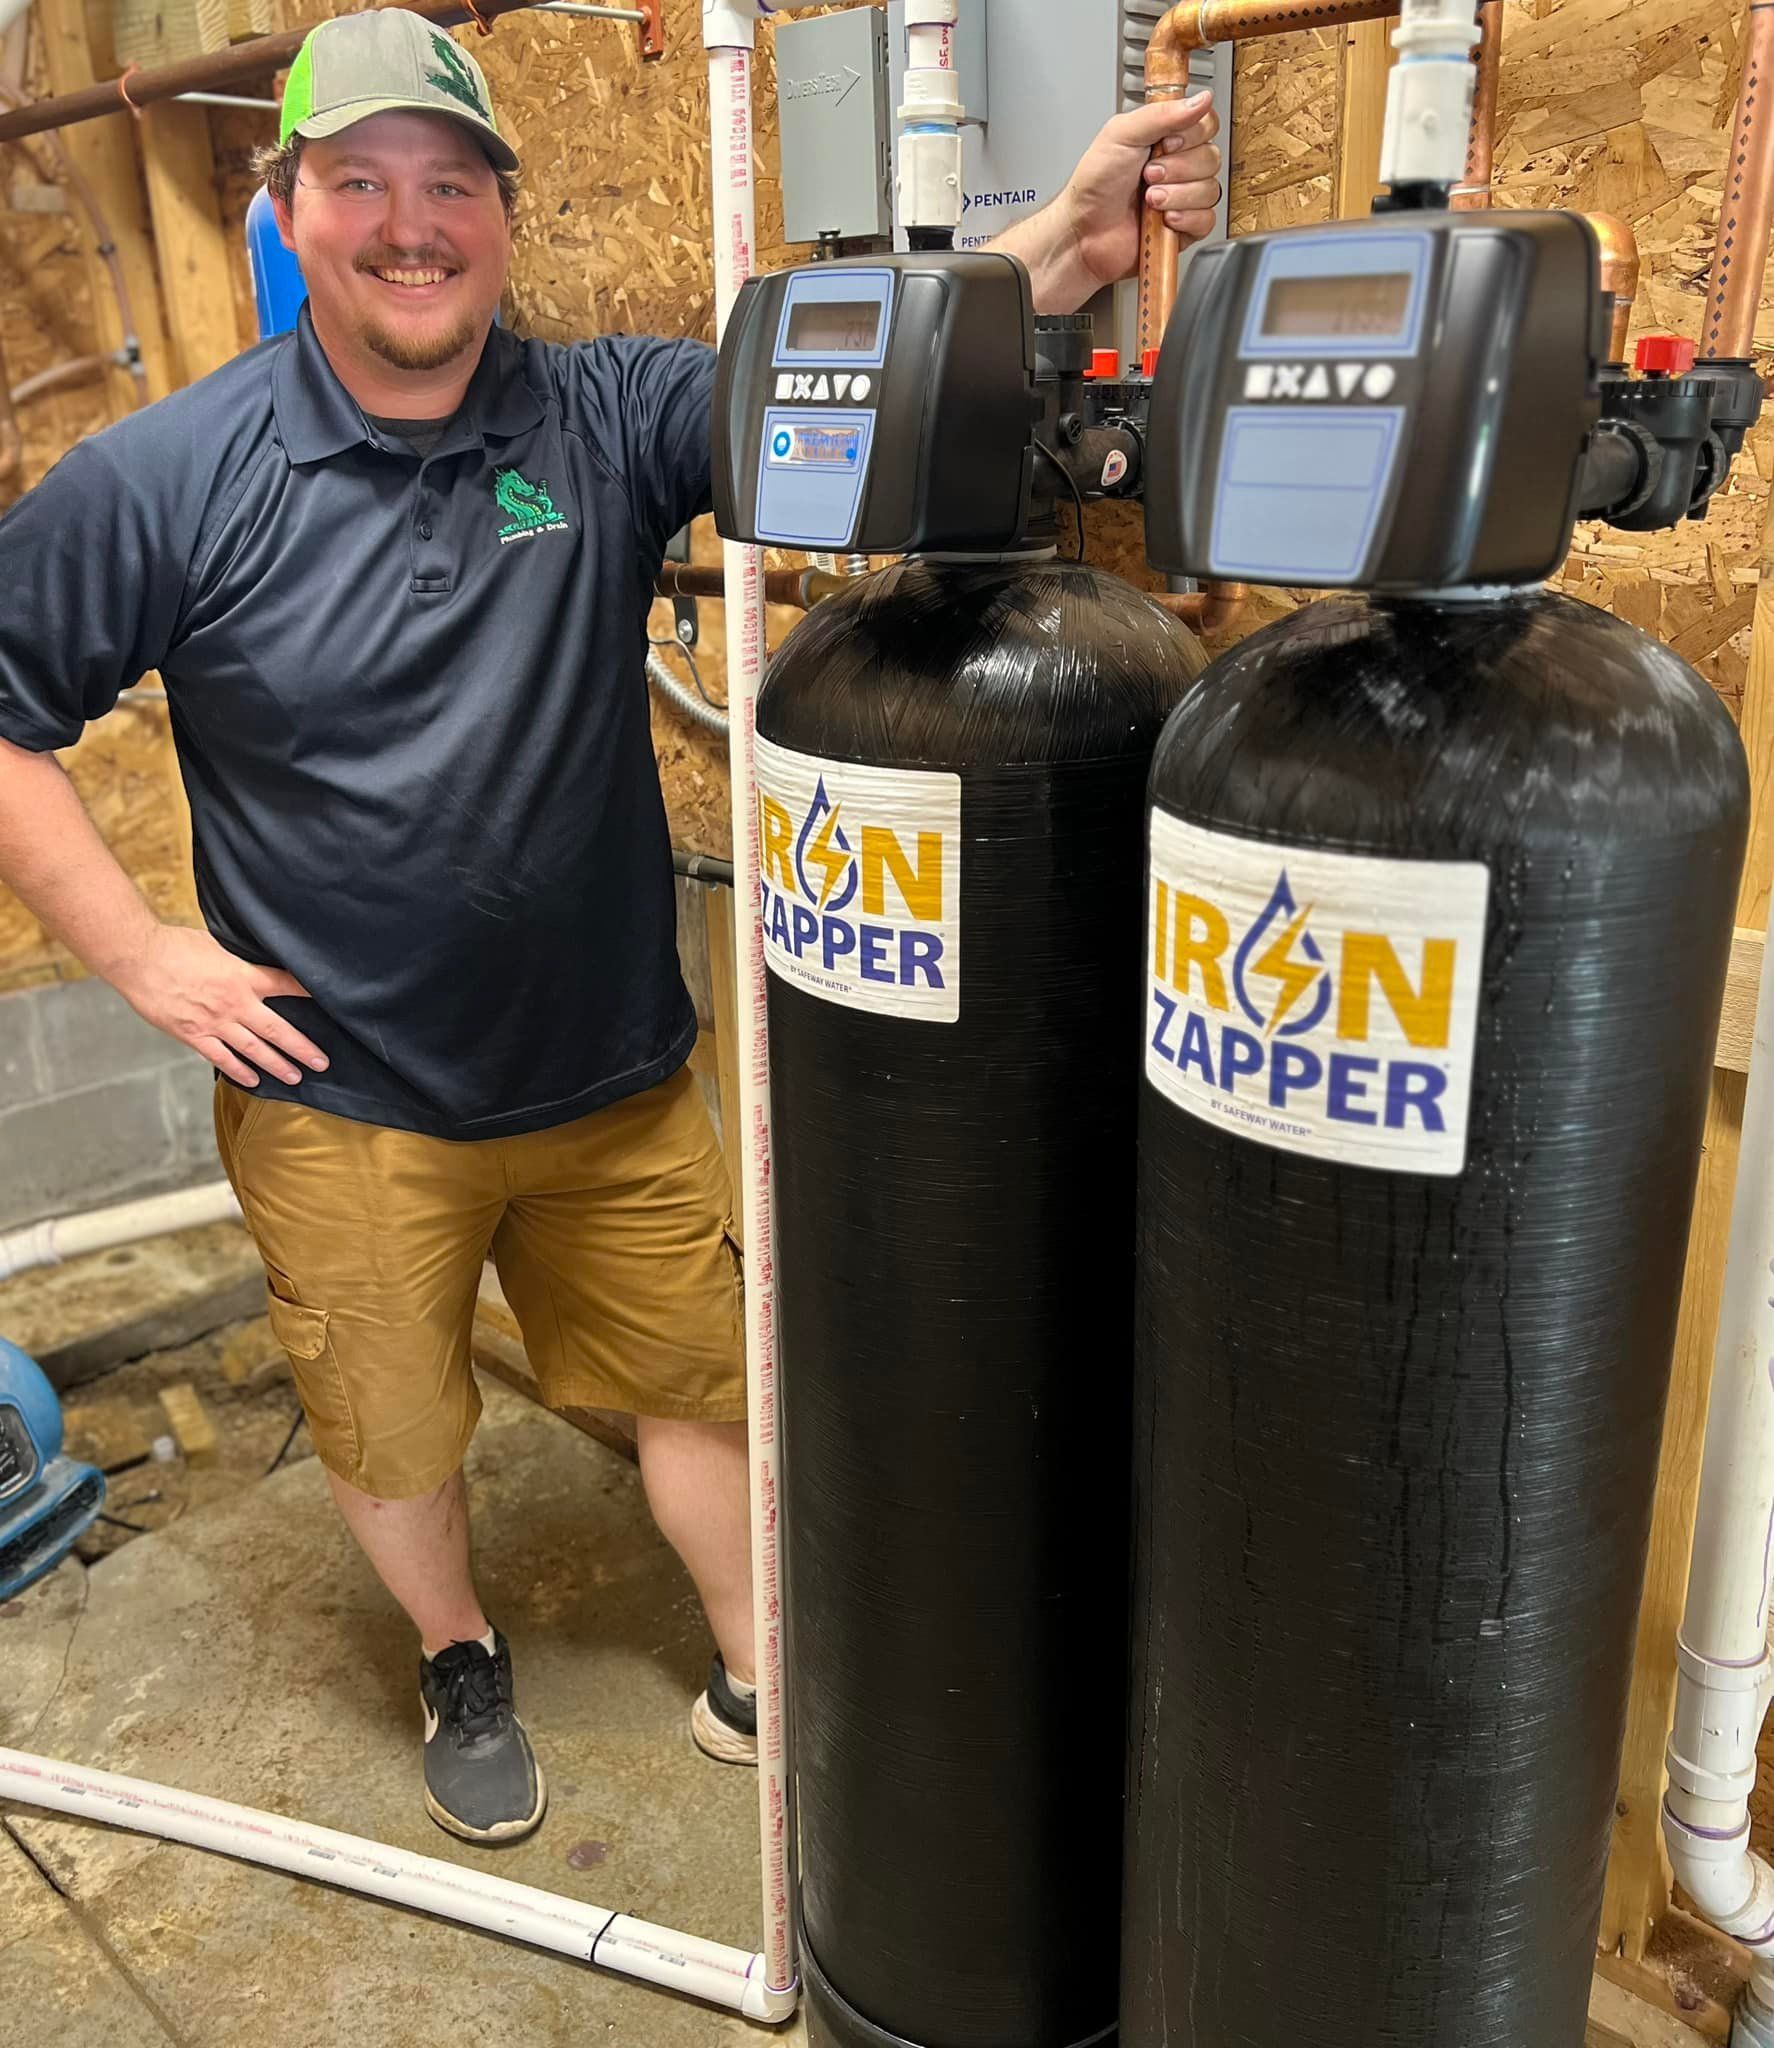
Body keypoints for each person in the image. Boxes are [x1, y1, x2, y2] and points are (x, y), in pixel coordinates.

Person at [0, 7, 1222, 1847]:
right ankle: (460, 1650)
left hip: (613, 1074)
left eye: (450, 187)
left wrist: (1058, 239)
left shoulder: (610, 414)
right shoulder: (166, 480)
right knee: (392, 1431)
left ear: (500, 212)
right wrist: (147, 958)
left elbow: (860, 364)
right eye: (361, 185)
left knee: (694, 1387)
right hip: (346, 1097)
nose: (410, 227)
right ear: (289, 205)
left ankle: (759, 1666)